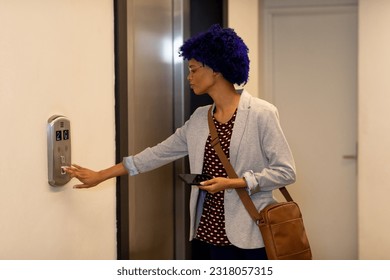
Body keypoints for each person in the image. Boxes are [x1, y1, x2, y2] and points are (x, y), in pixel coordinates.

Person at [65, 24, 296, 260]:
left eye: (194, 70)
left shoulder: (261, 113)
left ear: (216, 69)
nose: (189, 77)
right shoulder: (199, 119)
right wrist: (101, 175)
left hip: (251, 235)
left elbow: (286, 172)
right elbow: (156, 154)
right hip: (207, 234)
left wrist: (234, 183)